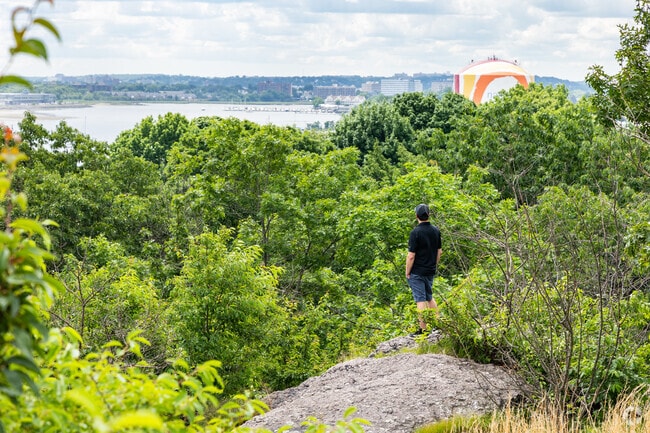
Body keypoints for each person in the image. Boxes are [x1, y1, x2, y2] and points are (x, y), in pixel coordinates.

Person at [405, 203, 442, 336]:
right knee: (429, 297)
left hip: (417, 272)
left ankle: (423, 330)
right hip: (430, 270)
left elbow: (411, 256)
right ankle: (438, 325)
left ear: (416, 216)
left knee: (420, 300)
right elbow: (439, 251)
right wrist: (433, 265)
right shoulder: (435, 230)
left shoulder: (415, 232)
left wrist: (407, 271)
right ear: (429, 215)